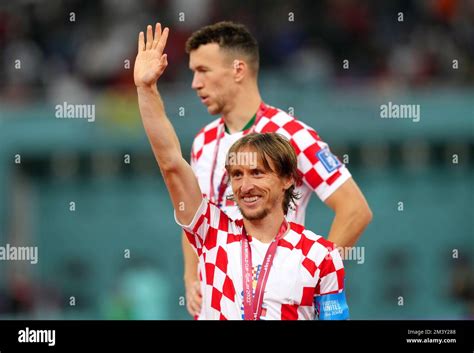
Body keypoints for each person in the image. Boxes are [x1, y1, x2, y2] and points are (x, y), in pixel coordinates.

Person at [134, 23, 350, 319]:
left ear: (238, 70)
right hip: (221, 293)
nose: (195, 83)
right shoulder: (204, 141)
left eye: (203, 70)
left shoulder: (293, 134)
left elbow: (354, 209)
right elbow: (191, 210)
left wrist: (308, 272)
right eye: (236, 175)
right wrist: (191, 276)